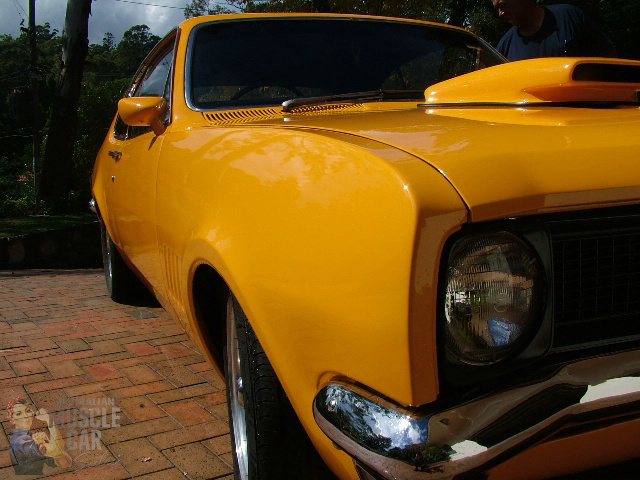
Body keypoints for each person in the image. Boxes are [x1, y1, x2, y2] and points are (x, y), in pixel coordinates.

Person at [491, 0, 616, 61]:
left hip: (586, 110)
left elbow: (611, 60)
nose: (500, 14)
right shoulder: (504, 48)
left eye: (503, 5)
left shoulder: (569, 17)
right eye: (497, 8)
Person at [7, 397, 72, 475]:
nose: (25, 416)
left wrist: (48, 444)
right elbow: (57, 449)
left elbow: (65, 463)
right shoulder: (19, 441)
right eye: (19, 413)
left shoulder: (30, 436)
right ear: (12, 420)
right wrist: (49, 420)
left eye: (27, 411)